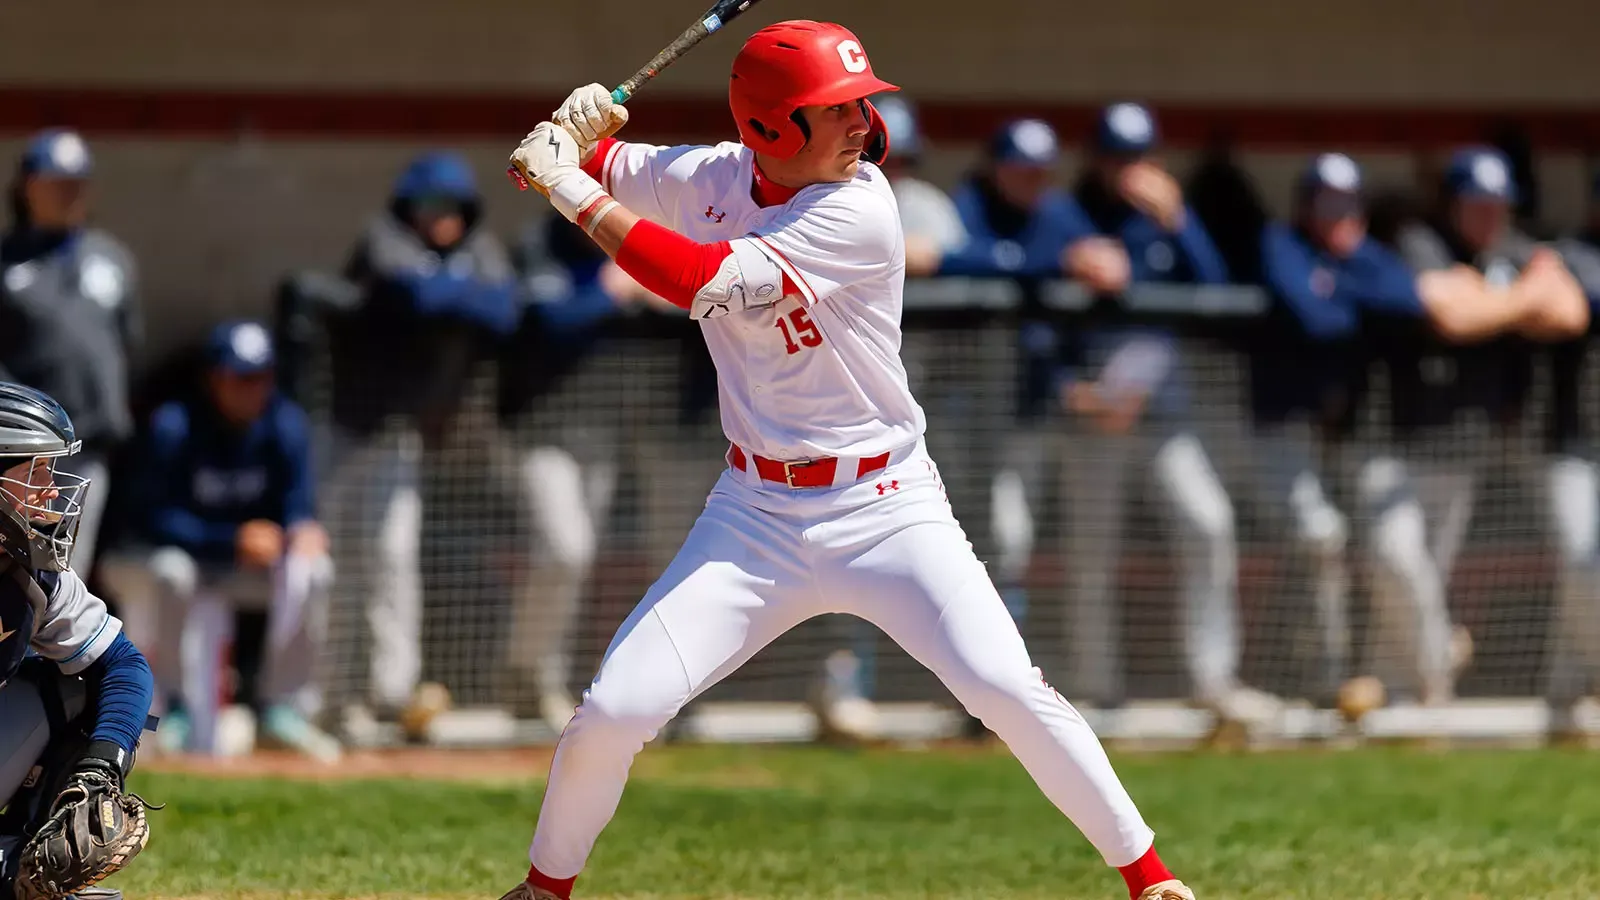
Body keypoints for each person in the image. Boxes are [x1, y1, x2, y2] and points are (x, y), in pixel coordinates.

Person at [500, 20, 1195, 900]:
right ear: (770, 129)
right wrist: (572, 138)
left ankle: (1152, 880)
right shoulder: (710, 175)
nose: (864, 123)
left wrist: (568, 182)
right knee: (613, 711)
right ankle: (543, 890)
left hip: (887, 505)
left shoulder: (859, 206)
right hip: (754, 514)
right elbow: (580, 164)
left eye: (862, 103)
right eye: (837, 109)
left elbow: (696, 280)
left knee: (1006, 687)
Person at [1056, 102, 1264, 732]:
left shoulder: (1164, 221)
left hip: (1162, 414)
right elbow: (1036, 310)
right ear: (1095, 158)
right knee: (1091, 555)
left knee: (1208, 525)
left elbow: (1217, 287)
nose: (1126, 169)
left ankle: (1213, 679)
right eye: (1115, 156)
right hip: (1092, 413)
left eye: (1137, 156)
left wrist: (1179, 218)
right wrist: (1072, 388)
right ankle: (1095, 689)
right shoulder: (1068, 216)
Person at [1363, 146, 1588, 710]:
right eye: (1476, 206)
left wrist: (1493, 300)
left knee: (1427, 572)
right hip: (1391, 439)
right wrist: (1518, 300)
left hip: (1461, 447)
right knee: (1394, 557)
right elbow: (1452, 315)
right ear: (1452, 204)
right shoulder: (1422, 242)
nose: (1489, 218)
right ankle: (1436, 653)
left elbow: (1568, 312)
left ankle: (1415, 694)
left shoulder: (1511, 249)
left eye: (1497, 206)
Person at [322, 150, 518, 731]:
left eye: (453, 206)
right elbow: (417, 297)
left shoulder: (478, 250)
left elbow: (506, 311)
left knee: (392, 559)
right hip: (338, 426)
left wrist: (449, 284)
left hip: (397, 433)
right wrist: (455, 289)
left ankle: (391, 693)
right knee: (337, 564)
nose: (441, 217)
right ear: (409, 207)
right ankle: (331, 696)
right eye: (430, 205)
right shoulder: (382, 239)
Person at [807, 91, 970, 743]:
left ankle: (973, 696)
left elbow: (980, 258)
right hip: (848, 413)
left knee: (968, 551)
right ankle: (843, 691)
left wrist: (938, 257)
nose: (882, 167)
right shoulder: (819, 200)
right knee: (841, 552)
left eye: (893, 156)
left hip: (935, 408)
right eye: (877, 151)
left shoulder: (927, 205)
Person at [100, 320, 337, 760]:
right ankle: (170, 709)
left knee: (315, 570)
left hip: (231, 567)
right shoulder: (174, 425)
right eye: (240, 378)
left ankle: (281, 709)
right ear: (215, 378)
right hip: (152, 561)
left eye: (261, 377)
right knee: (174, 572)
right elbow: (148, 519)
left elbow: (298, 504)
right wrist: (231, 540)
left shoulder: (285, 424)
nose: (252, 389)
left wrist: (302, 527)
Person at [496, 214, 660, 734]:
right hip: (537, 430)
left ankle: (543, 682)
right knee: (565, 549)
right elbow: (547, 319)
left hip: (601, 432)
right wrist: (612, 290)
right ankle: (524, 672)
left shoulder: (632, 238)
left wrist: (658, 290)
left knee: (577, 561)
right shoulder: (540, 244)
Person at [0, 382, 156, 900]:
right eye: (35, 471)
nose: (51, 492)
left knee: (80, 683)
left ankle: (24, 867)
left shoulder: (33, 574)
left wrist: (101, 765)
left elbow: (125, 666)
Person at [0, 130, 141, 578]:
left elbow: (126, 342)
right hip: (23, 452)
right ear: (27, 187)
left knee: (65, 576)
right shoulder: (6, 262)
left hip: (93, 446)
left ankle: (42, 651)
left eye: (77, 182)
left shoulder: (111, 259)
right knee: (22, 572)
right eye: (56, 182)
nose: (68, 193)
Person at [1542, 173, 1600, 743]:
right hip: (1572, 442)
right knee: (1582, 561)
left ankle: (1566, 689)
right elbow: (1581, 306)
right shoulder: (1570, 255)